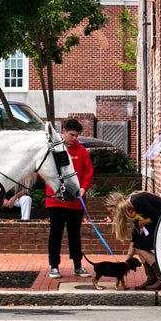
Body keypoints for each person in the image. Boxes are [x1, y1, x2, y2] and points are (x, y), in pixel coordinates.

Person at [43, 118, 93, 279]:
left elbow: (88, 172)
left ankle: (78, 266)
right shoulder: (53, 149)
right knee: (55, 233)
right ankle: (54, 266)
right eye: (71, 135)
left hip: (76, 202)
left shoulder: (82, 151)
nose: (74, 139)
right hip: (55, 200)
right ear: (63, 131)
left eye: (77, 136)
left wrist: (84, 188)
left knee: (74, 235)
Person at [107, 190, 161, 290]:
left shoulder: (137, 200)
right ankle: (152, 278)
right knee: (138, 245)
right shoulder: (131, 209)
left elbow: (157, 216)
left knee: (141, 247)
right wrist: (128, 258)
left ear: (117, 206)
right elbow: (135, 238)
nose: (112, 214)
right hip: (158, 225)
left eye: (111, 211)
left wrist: (140, 223)